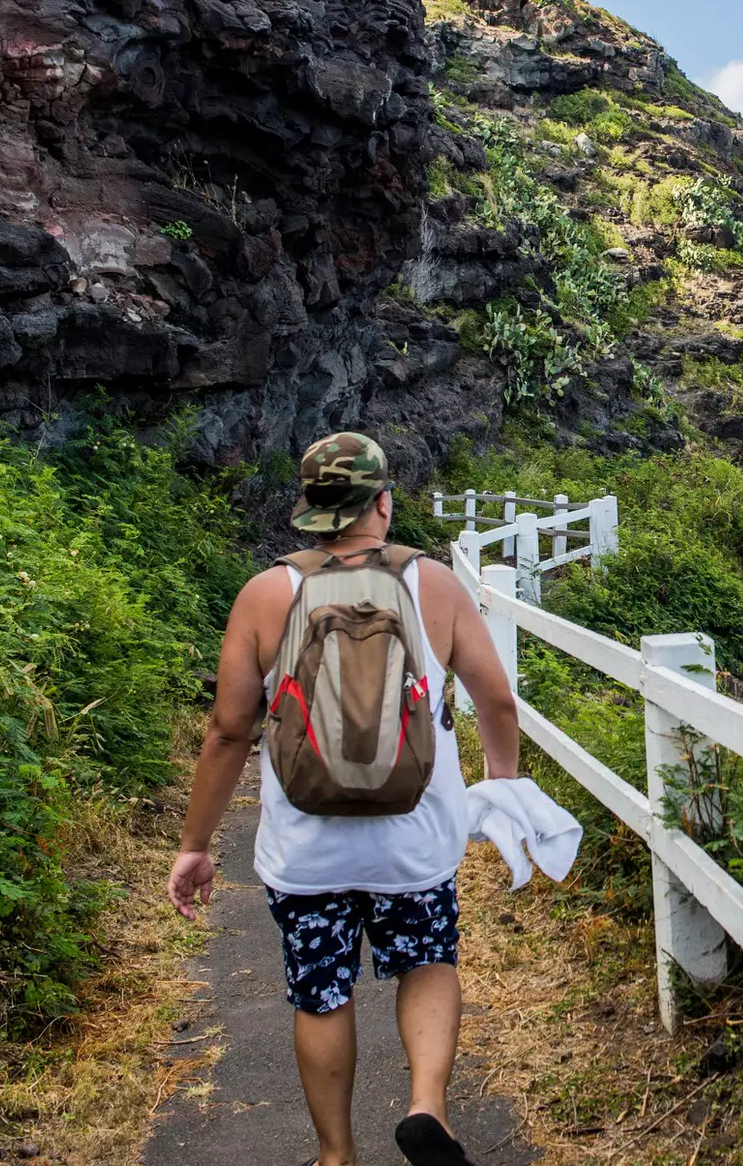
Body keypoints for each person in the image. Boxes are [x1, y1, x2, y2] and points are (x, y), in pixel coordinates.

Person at [168, 433, 520, 1166]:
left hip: (308, 844)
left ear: (310, 510)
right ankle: (428, 1107)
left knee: (321, 988)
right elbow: (497, 701)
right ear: (383, 502)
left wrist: (196, 844)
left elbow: (230, 730)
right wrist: (503, 787)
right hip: (414, 835)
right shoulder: (435, 586)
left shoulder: (267, 594)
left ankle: (336, 1155)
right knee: (427, 960)